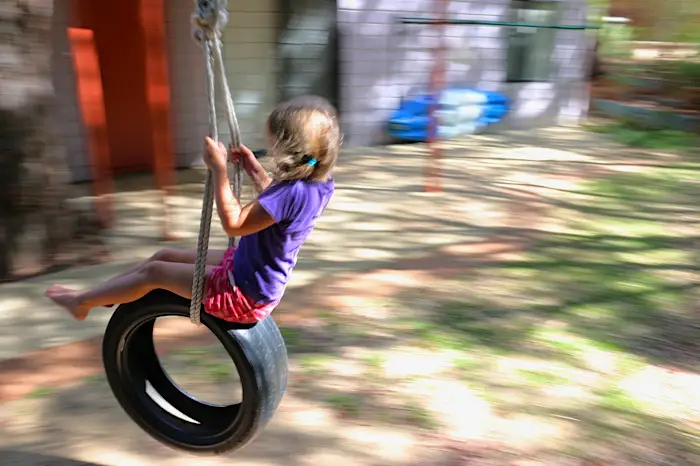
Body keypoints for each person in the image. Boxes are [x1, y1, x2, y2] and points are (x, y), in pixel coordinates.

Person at [46, 95, 340, 323]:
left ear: (288, 150)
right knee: (163, 256)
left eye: (272, 145)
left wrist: (218, 171)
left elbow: (235, 224)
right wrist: (254, 170)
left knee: (154, 272)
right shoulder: (317, 183)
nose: (270, 150)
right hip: (250, 273)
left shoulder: (292, 190)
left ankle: (82, 302)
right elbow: (277, 208)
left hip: (242, 294)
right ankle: (100, 296)